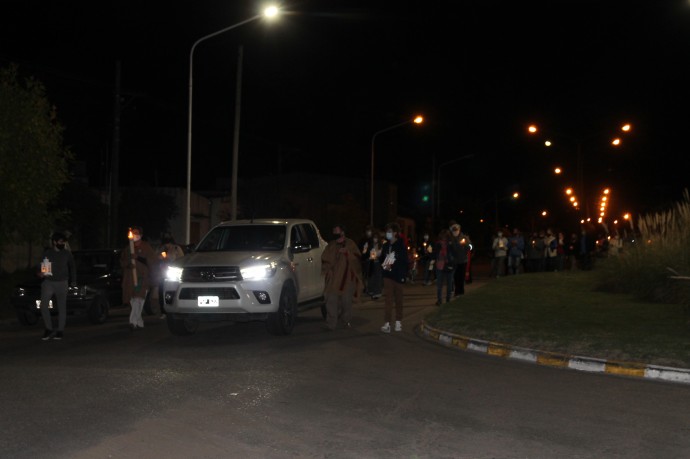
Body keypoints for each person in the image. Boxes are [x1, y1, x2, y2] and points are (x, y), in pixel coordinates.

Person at [321, 224, 363, 331]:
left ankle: (346, 321)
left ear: (342, 232)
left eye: (336, 230)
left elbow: (357, 260)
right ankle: (331, 324)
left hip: (347, 279)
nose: (334, 232)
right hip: (333, 279)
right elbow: (325, 259)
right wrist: (327, 269)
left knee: (346, 302)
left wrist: (347, 253)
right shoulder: (331, 245)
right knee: (331, 300)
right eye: (333, 230)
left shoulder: (350, 244)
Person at [38, 232, 76, 340]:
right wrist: (43, 273)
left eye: (63, 242)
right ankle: (48, 329)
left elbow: (72, 266)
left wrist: (73, 281)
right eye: (60, 241)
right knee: (44, 305)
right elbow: (45, 268)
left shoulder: (67, 253)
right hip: (49, 282)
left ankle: (60, 330)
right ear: (55, 242)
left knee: (61, 306)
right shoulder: (48, 253)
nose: (62, 243)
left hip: (62, 282)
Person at [120, 226, 156, 330]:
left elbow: (152, 262)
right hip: (130, 278)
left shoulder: (146, 247)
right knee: (133, 300)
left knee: (139, 298)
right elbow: (122, 261)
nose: (134, 235)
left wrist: (138, 258)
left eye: (136, 233)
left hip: (142, 277)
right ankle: (139, 321)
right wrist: (128, 264)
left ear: (141, 235)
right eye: (133, 233)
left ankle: (132, 321)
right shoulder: (128, 249)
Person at [379, 222, 408, 333]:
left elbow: (404, 261)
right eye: (387, 231)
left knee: (399, 299)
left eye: (390, 231)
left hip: (398, 275)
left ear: (395, 233)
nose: (388, 234)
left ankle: (398, 321)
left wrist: (394, 259)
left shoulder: (401, 245)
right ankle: (387, 323)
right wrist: (381, 257)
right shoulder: (386, 245)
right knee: (388, 300)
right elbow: (382, 259)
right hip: (388, 275)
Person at [156, 235, 185, 318]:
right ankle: (163, 311)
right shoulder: (161, 249)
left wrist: (170, 260)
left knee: (173, 292)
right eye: (165, 244)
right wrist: (161, 258)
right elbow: (155, 258)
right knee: (161, 293)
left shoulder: (176, 248)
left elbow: (181, 259)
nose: (167, 246)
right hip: (162, 273)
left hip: (173, 274)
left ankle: (174, 310)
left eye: (168, 244)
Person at [433, 228, 456, 305]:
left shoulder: (451, 244)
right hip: (440, 266)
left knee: (449, 284)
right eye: (442, 238)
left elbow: (454, 256)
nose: (443, 240)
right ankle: (439, 300)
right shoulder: (437, 245)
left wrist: (448, 258)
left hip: (449, 266)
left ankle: (448, 299)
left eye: (445, 237)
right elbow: (434, 254)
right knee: (439, 285)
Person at [449, 222, 471, 296]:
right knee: (455, 277)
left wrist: (466, 245)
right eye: (454, 230)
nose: (455, 232)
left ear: (459, 230)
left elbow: (471, 247)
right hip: (454, 261)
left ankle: (461, 291)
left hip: (463, 260)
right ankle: (457, 291)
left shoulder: (464, 237)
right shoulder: (451, 238)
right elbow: (449, 249)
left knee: (461, 277)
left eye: (456, 230)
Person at [366, 231, 383, 299]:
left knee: (377, 278)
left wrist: (374, 254)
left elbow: (379, 254)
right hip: (372, 263)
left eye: (376, 238)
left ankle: (377, 292)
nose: (374, 239)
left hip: (378, 263)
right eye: (374, 238)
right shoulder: (371, 245)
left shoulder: (381, 245)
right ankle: (372, 291)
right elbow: (368, 253)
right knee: (371, 278)